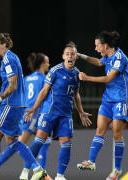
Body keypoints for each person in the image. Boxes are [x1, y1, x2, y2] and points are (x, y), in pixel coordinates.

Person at [0, 33, 47, 180]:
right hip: (17, 105)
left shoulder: (8, 59)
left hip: (10, 105)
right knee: (12, 141)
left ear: (3, 44)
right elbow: (8, 86)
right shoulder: (10, 57)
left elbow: (13, 86)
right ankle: (37, 169)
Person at [24, 41, 92, 180]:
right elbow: (44, 91)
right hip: (49, 112)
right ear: (63, 56)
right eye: (67, 53)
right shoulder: (55, 71)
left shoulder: (77, 74)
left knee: (67, 143)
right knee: (39, 141)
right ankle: (26, 170)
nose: (70, 56)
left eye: (72, 54)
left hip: (65, 114)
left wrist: (80, 111)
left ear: (76, 57)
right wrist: (33, 109)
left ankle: (60, 176)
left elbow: (76, 94)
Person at [76, 30, 128, 180]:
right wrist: (80, 55)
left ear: (105, 46)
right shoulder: (107, 56)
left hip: (121, 99)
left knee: (116, 133)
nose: (95, 48)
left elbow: (108, 79)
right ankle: (91, 161)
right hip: (108, 99)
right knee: (100, 129)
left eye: (97, 46)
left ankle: (117, 170)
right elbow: (98, 62)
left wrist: (87, 78)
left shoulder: (120, 58)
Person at [0, 52, 51, 180]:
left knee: (43, 142)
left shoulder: (26, 79)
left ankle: (29, 173)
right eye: (47, 62)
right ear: (42, 64)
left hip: (23, 112)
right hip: (33, 114)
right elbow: (45, 97)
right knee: (19, 143)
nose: (48, 64)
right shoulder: (44, 79)